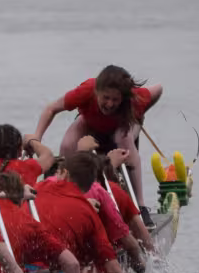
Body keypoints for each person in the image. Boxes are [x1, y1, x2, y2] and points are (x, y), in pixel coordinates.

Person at [27, 64, 163, 219]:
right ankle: (67, 197)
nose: (110, 104)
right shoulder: (87, 90)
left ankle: (140, 205)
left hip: (124, 125)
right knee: (68, 144)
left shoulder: (135, 98)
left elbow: (158, 89)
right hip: (90, 123)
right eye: (106, 98)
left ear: (122, 98)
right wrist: (36, 137)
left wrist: (140, 114)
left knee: (122, 137)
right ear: (97, 91)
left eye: (115, 99)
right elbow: (51, 109)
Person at [34, 152, 131, 273]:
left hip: (28, 272)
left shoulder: (38, 188)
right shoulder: (89, 212)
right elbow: (114, 271)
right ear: (89, 186)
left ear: (64, 173)